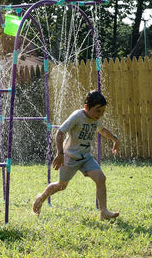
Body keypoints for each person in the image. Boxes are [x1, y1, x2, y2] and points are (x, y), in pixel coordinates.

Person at [32, 90, 120, 220]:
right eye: (97, 110)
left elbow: (102, 130)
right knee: (61, 186)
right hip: (69, 157)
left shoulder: (97, 119)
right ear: (86, 107)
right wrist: (60, 153)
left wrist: (115, 139)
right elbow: (59, 133)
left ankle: (104, 212)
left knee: (101, 178)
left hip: (86, 157)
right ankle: (41, 198)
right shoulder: (77, 116)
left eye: (103, 111)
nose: (100, 114)